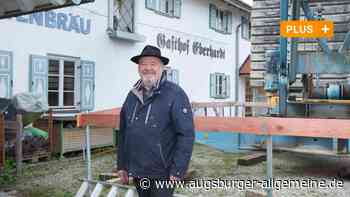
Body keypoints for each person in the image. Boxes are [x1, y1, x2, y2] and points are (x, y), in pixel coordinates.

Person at [116, 45, 195, 197]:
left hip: (163, 173)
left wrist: (178, 169)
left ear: (162, 67)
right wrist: (122, 165)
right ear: (139, 68)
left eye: (153, 64)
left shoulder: (175, 94)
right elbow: (124, 133)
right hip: (138, 171)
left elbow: (186, 135)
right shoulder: (132, 95)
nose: (148, 68)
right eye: (144, 64)